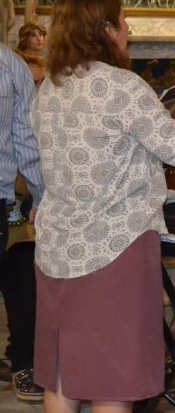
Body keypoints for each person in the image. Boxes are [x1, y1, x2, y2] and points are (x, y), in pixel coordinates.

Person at [29, 0, 175, 413]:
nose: (128, 27)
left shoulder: (51, 87)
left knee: (62, 374)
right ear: (105, 27)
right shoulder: (121, 86)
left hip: (57, 246)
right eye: (122, 18)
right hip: (114, 247)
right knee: (112, 380)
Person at [0, 43, 46, 402]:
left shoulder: (11, 65)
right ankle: (23, 361)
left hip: (9, 205)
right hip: (7, 202)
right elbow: (28, 145)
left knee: (22, 270)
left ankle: (24, 359)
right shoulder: (9, 63)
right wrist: (45, 199)